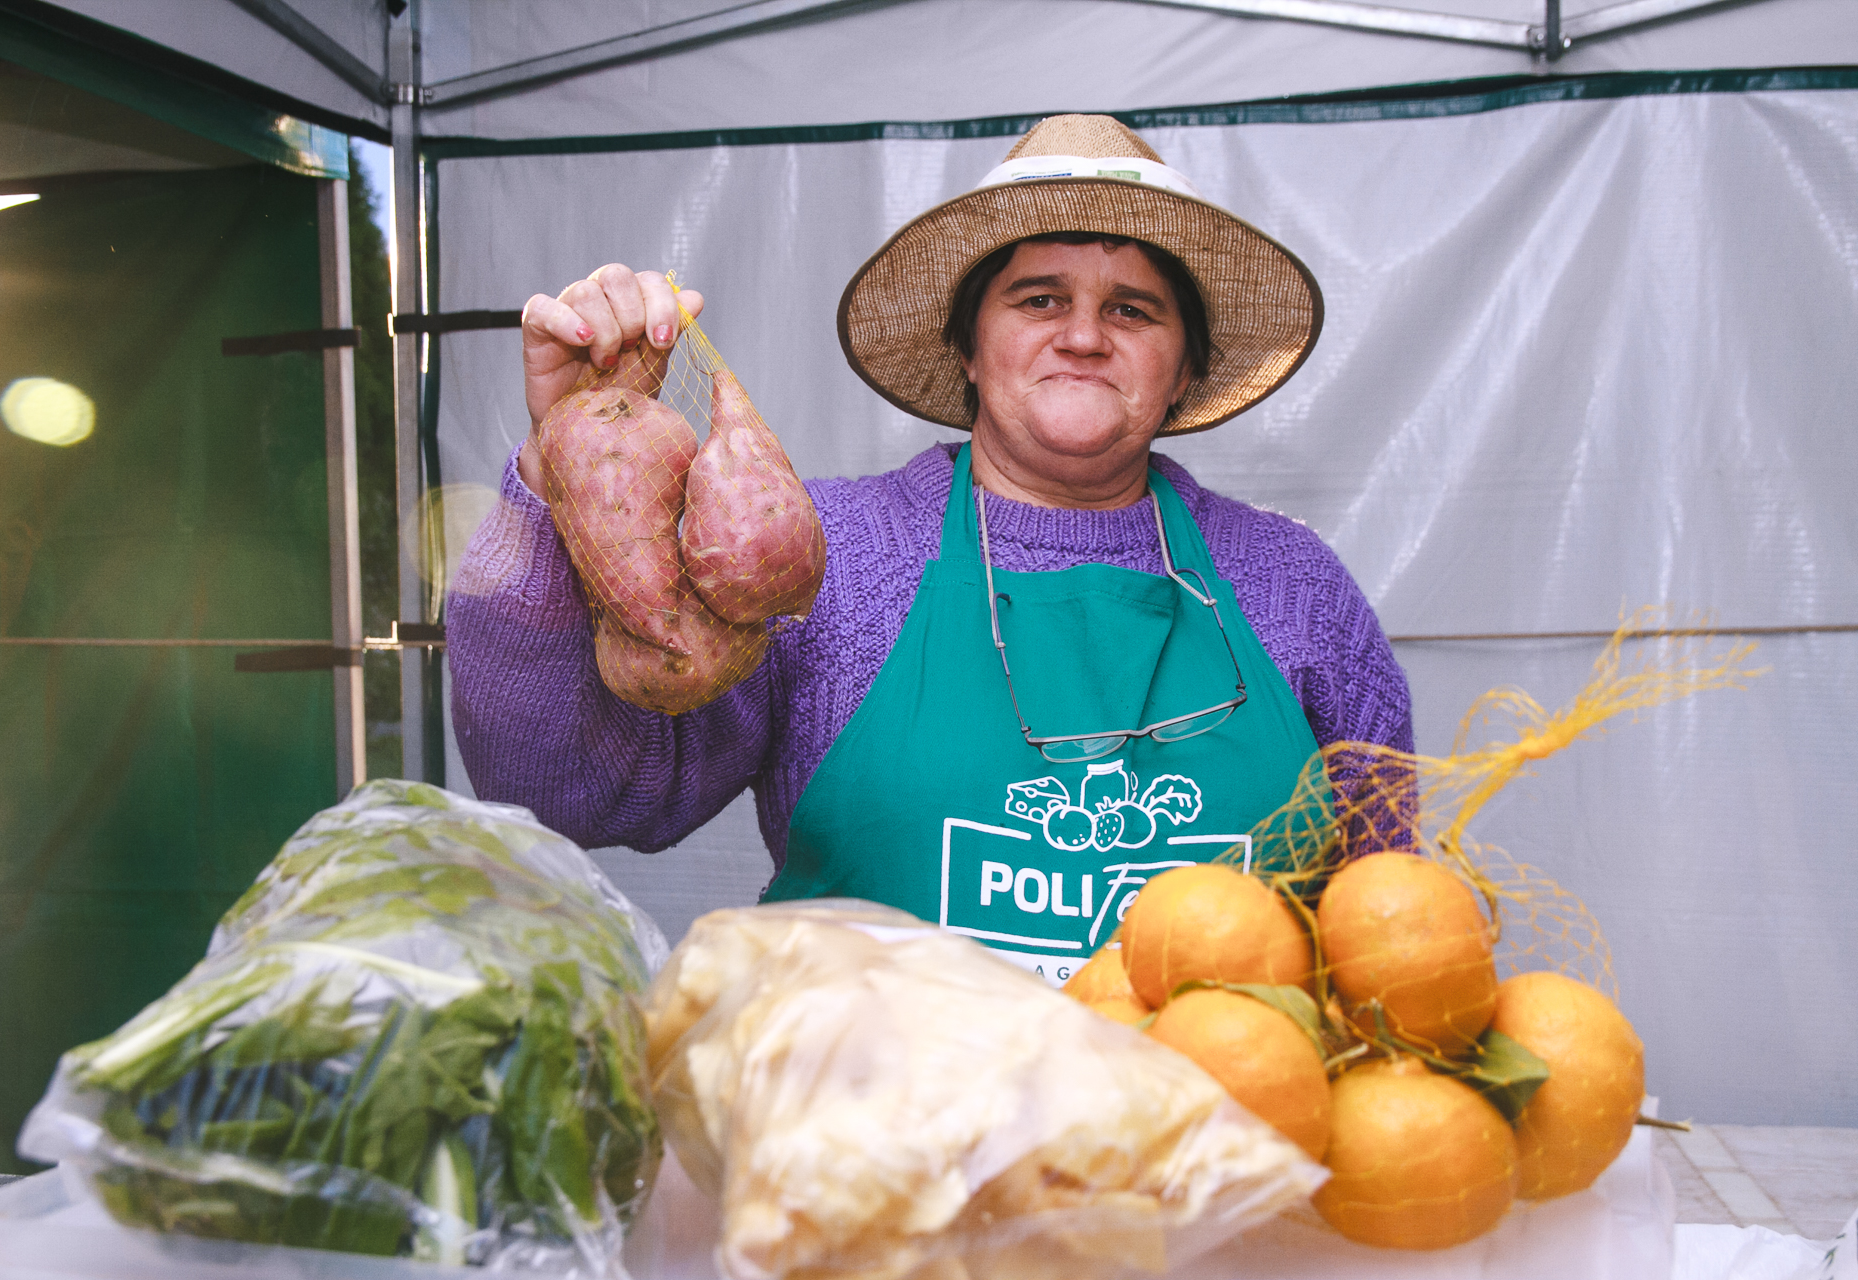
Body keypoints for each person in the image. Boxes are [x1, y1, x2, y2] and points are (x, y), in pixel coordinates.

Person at [449, 114, 1411, 983]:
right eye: (1038, 299)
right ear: (967, 347)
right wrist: (565, 468)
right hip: (876, 1121)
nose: (1083, 335)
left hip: (1221, 1119)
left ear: (1186, 366)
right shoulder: (826, 559)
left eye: (1133, 309)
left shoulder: (1297, 589)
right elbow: (573, 796)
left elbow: (1393, 929)